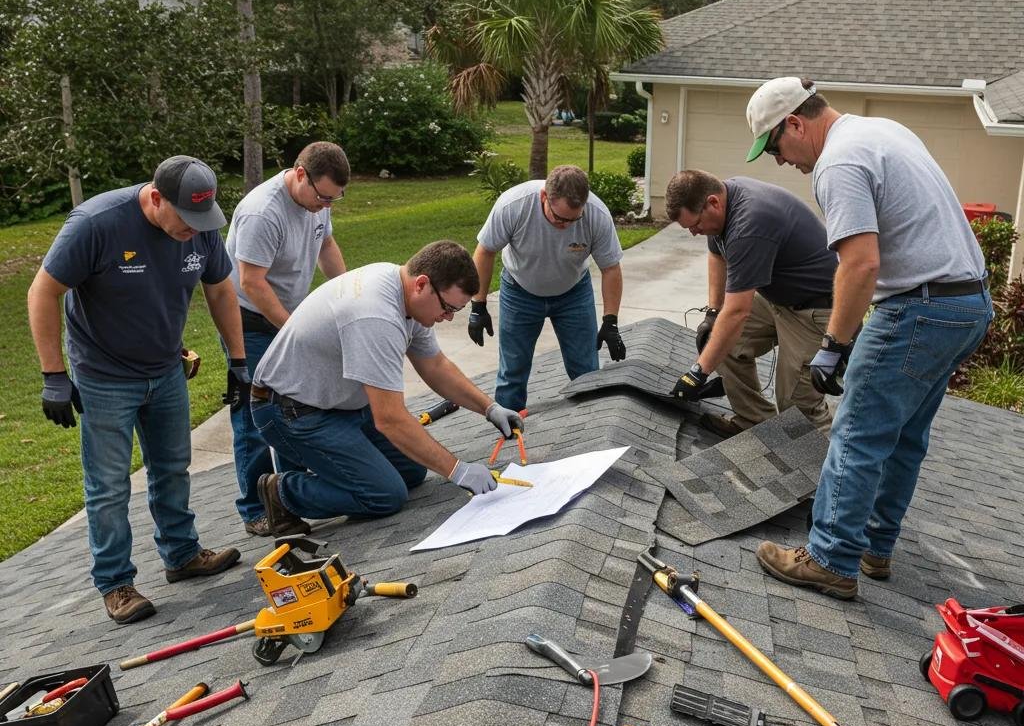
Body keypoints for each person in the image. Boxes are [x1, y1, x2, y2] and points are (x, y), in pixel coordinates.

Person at [745, 77, 992, 599]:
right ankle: (875, 548)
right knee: (903, 436)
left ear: (795, 123)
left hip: (918, 308)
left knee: (856, 432)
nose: (779, 161)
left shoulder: (838, 163)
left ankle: (831, 555)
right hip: (967, 304)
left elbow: (860, 264)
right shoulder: (883, 130)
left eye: (775, 146)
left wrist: (833, 345)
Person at [27, 157, 248, 624]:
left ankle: (182, 555)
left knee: (173, 467)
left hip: (165, 367)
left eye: (202, 221)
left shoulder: (202, 227)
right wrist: (53, 374)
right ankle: (116, 584)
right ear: (154, 198)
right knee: (107, 486)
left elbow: (221, 291)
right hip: (103, 375)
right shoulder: (96, 224)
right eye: (186, 220)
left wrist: (239, 359)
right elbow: (43, 292)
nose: (195, 230)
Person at [249, 241, 525, 535]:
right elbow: (389, 418)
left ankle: (339, 469)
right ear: (422, 284)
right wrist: (458, 470)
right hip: (290, 412)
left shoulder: (405, 294)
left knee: (412, 471)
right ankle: (281, 492)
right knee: (384, 495)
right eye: (447, 308)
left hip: (338, 403)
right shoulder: (375, 314)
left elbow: (435, 367)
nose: (449, 317)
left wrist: (489, 407)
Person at [225, 141, 350, 537]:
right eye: (322, 196)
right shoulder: (263, 212)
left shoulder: (316, 204)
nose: (325, 206)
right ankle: (255, 509)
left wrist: (347, 293)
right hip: (249, 322)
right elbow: (251, 282)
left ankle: (288, 494)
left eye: (334, 199)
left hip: (285, 315)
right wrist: (294, 328)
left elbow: (326, 245)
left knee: (294, 401)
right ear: (300, 174)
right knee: (253, 413)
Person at [664, 169, 837, 436]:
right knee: (720, 341)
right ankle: (756, 424)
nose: (694, 233)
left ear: (713, 203)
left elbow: (737, 312)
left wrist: (697, 373)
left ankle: (828, 472)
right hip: (778, 298)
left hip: (816, 308)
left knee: (796, 403)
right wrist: (712, 312)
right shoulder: (723, 200)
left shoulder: (749, 223)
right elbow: (716, 255)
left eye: (695, 225)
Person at [467, 165, 627, 413]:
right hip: (519, 291)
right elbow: (485, 251)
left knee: (586, 369)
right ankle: (508, 430)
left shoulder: (596, 214)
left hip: (573, 293)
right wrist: (478, 305)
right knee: (513, 370)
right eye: (560, 218)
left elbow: (611, 268)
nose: (566, 226)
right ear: (544, 197)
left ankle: (590, 428)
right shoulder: (514, 205)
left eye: (574, 219)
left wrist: (611, 321)